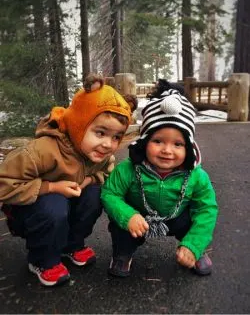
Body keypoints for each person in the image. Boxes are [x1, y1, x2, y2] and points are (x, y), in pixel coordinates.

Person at [0, 74, 132, 286]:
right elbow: (4, 183)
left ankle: (71, 245)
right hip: (29, 211)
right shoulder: (42, 151)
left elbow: (107, 172)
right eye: (100, 133)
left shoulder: (98, 154)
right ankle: (42, 259)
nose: (108, 144)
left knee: (95, 195)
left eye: (116, 137)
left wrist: (88, 181)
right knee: (55, 203)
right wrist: (51, 187)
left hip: (64, 208)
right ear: (79, 124)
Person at [101, 88, 218, 278]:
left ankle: (195, 248)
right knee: (120, 225)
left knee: (196, 219)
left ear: (188, 147)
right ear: (145, 140)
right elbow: (110, 193)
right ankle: (123, 252)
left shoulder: (197, 175)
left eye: (177, 144)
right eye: (158, 141)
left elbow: (207, 209)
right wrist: (128, 215)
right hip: (139, 218)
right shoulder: (128, 169)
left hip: (178, 216)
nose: (167, 150)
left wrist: (193, 244)